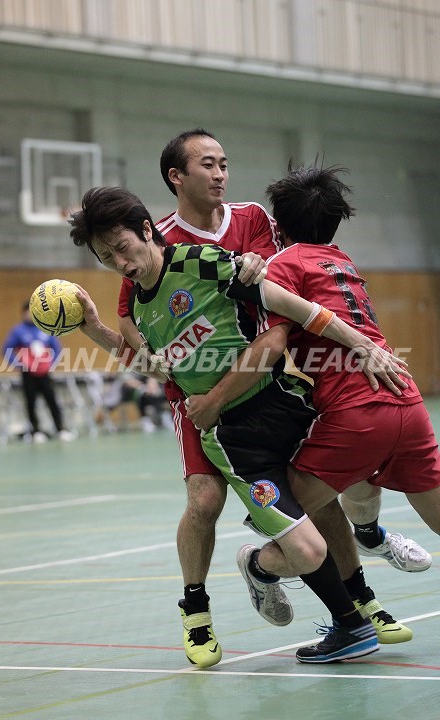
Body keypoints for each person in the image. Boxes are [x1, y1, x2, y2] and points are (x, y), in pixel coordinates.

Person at [69, 185, 417, 664]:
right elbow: (156, 370)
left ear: (147, 230)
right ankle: (343, 618)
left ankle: (368, 550)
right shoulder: (140, 308)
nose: (119, 262)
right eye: (107, 257)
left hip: (282, 404)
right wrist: (93, 329)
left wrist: (362, 344)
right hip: (233, 440)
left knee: (342, 486)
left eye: (122, 248)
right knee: (300, 545)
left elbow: (295, 307)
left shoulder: (200, 262)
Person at [185, 162, 440, 661]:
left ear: (277, 224)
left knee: (288, 520)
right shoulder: (341, 260)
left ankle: (260, 567)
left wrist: (214, 399)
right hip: (406, 399)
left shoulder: (284, 265)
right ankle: (369, 541)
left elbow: (271, 344)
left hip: (356, 408)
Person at [1, 300, 76, 443]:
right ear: (23, 314)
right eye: (27, 312)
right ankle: (36, 431)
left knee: (52, 400)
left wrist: (51, 364)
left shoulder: (46, 328)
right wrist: (19, 364)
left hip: (44, 372)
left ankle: (61, 429)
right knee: (31, 402)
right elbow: (6, 349)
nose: (30, 315)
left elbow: (56, 348)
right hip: (28, 373)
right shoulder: (18, 331)